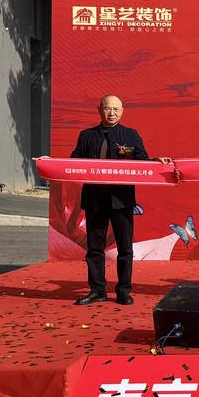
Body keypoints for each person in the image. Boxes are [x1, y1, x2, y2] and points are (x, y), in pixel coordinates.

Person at [69, 95, 168, 305]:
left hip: (121, 201)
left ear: (122, 111)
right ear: (99, 110)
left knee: (125, 248)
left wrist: (156, 162)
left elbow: (142, 162)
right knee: (94, 249)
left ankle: (123, 290)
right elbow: (73, 162)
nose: (111, 113)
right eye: (107, 108)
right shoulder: (86, 136)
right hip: (95, 200)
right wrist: (49, 163)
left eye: (116, 109)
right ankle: (97, 290)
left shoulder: (131, 136)